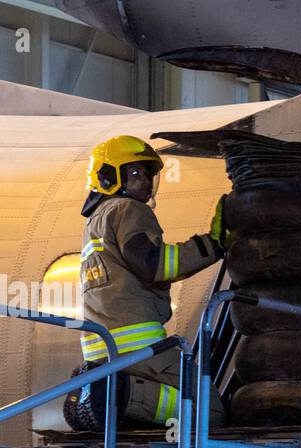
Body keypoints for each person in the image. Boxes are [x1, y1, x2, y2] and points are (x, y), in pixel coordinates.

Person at [64, 134, 232, 430]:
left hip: (101, 351)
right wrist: (213, 244)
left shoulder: (94, 222)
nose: (144, 182)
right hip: (140, 345)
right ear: (107, 176)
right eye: (135, 173)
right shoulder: (128, 210)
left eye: (148, 174)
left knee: (167, 413)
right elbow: (153, 264)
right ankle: (119, 394)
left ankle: (112, 394)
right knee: (211, 414)